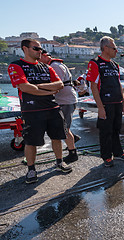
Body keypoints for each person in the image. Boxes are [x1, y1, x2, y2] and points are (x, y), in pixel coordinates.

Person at [7, 39, 72, 184]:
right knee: (31, 142)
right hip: (32, 111)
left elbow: (60, 84)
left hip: (53, 108)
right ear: (25, 48)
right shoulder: (16, 66)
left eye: (41, 49)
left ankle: (59, 162)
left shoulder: (46, 67)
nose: (40, 52)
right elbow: (24, 87)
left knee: (57, 137)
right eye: (36, 48)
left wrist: (37, 87)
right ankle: (31, 169)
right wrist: (48, 90)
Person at [86, 36, 124, 167]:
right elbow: (93, 87)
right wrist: (100, 107)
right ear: (105, 48)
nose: (116, 51)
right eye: (114, 48)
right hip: (105, 103)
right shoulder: (95, 63)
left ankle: (118, 152)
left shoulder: (115, 65)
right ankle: (106, 156)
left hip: (117, 103)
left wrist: (123, 104)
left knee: (116, 129)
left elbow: (119, 85)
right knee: (106, 131)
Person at [39, 50, 80, 164]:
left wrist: (40, 91)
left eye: (39, 57)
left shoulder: (55, 66)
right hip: (66, 99)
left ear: (45, 56)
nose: (38, 60)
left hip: (65, 100)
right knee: (64, 127)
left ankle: (72, 152)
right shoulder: (56, 64)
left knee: (64, 128)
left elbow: (58, 84)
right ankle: (72, 139)